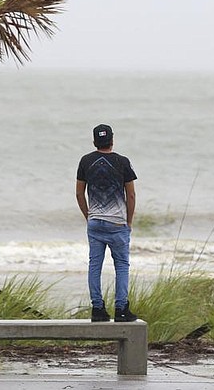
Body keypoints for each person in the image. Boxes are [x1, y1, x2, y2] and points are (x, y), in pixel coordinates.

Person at [75, 124, 138, 322]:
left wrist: (89, 216)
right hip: (118, 224)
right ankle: (121, 309)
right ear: (112, 140)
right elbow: (131, 194)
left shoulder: (85, 161)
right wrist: (128, 221)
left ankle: (97, 308)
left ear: (95, 142)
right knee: (121, 265)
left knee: (95, 265)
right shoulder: (122, 162)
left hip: (95, 221)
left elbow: (79, 193)